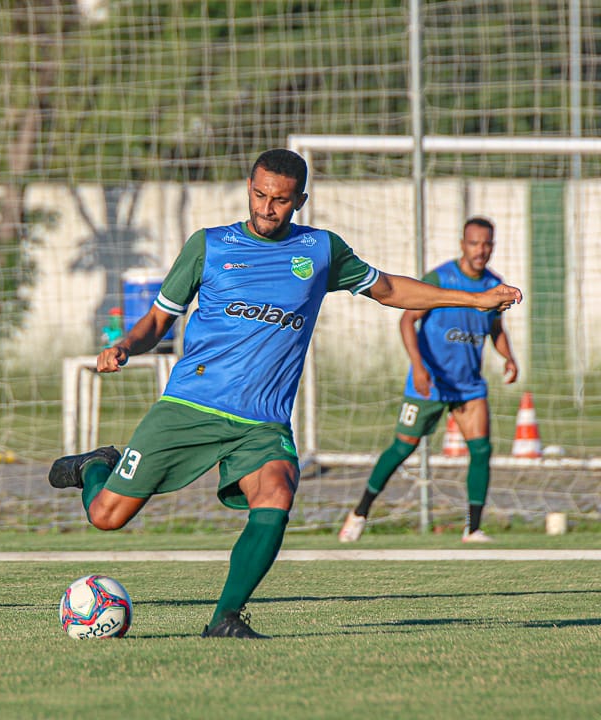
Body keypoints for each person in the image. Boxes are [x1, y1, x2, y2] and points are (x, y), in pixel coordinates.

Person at [47, 149, 522, 639]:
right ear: (248, 188)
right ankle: (94, 466)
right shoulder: (208, 246)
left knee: (276, 493)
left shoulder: (320, 251)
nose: (266, 208)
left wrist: (477, 299)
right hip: (190, 406)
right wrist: (126, 344)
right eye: (258, 195)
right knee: (106, 517)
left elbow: (389, 290)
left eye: (279, 200)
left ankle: (225, 619)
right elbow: (158, 319)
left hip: (263, 421)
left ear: (300, 200)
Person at [338, 216, 518, 544]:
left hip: (468, 386)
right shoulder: (440, 278)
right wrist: (419, 367)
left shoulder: (494, 284)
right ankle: (360, 512)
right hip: (430, 383)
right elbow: (408, 321)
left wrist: (508, 357)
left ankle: (473, 528)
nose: (481, 250)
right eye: (475, 243)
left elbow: (496, 329)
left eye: (487, 243)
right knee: (401, 448)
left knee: (481, 450)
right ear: (462, 244)